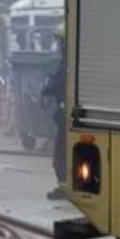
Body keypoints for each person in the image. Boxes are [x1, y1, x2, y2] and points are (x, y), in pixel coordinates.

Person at [43, 23, 67, 200]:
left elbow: (58, 85)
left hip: (66, 116)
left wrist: (48, 87)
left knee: (61, 153)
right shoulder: (68, 63)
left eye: (60, 41)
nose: (58, 45)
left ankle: (64, 187)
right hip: (67, 115)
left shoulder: (68, 65)